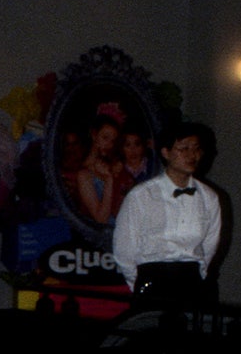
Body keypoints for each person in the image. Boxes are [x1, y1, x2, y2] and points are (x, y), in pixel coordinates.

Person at [112, 121, 222, 309]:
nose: (191, 155)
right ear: (166, 152)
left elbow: (210, 245)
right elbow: (124, 249)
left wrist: (198, 276)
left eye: (196, 149)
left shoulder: (209, 197)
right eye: (183, 148)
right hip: (153, 280)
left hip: (192, 282)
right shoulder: (142, 195)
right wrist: (140, 285)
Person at [75, 114, 124, 224]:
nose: (109, 145)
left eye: (112, 141)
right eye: (105, 138)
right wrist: (109, 179)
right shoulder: (84, 174)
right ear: (94, 135)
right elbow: (101, 219)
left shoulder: (111, 165)